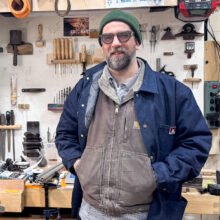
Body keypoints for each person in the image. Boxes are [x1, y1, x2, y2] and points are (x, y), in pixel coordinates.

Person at [55, 10, 212, 220]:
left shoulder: (173, 93)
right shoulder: (84, 89)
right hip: (91, 212)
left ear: (137, 42)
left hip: (146, 214)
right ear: (102, 44)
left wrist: (158, 174)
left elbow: (196, 143)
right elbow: (65, 134)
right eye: (108, 38)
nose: (115, 43)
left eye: (124, 36)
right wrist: (79, 165)